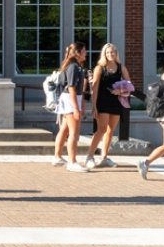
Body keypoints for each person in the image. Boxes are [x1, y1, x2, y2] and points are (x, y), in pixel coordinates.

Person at [84, 43, 132, 168]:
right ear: (104, 54)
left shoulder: (121, 67)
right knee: (102, 129)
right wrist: (93, 106)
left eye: (112, 52)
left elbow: (130, 85)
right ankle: (89, 156)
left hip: (116, 102)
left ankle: (104, 157)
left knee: (111, 131)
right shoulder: (100, 68)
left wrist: (120, 91)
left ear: (116, 53)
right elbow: (94, 88)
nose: (110, 54)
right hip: (102, 102)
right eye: (107, 52)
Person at [51, 42, 90, 172]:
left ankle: (57, 157)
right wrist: (75, 108)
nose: (86, 53)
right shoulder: (73, 67)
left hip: (69, 98)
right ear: (78, 53)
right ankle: (72, 161)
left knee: (65, 129)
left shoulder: (74, 66)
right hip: (70, 99)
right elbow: (72, 88)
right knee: (74, 132)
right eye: (84, 50)